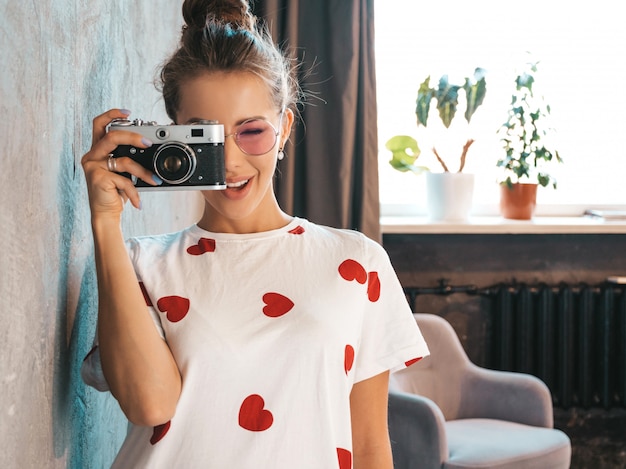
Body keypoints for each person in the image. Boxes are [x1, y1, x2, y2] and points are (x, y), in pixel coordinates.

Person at [80, 1, 429, 467]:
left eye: (251, 132)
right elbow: (151, 405)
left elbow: (368, 445)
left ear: (284, 128)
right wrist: (104, 222)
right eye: (204, 136)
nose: (229, 162)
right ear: (174, 137)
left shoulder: (357, 262)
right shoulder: (139, 265)